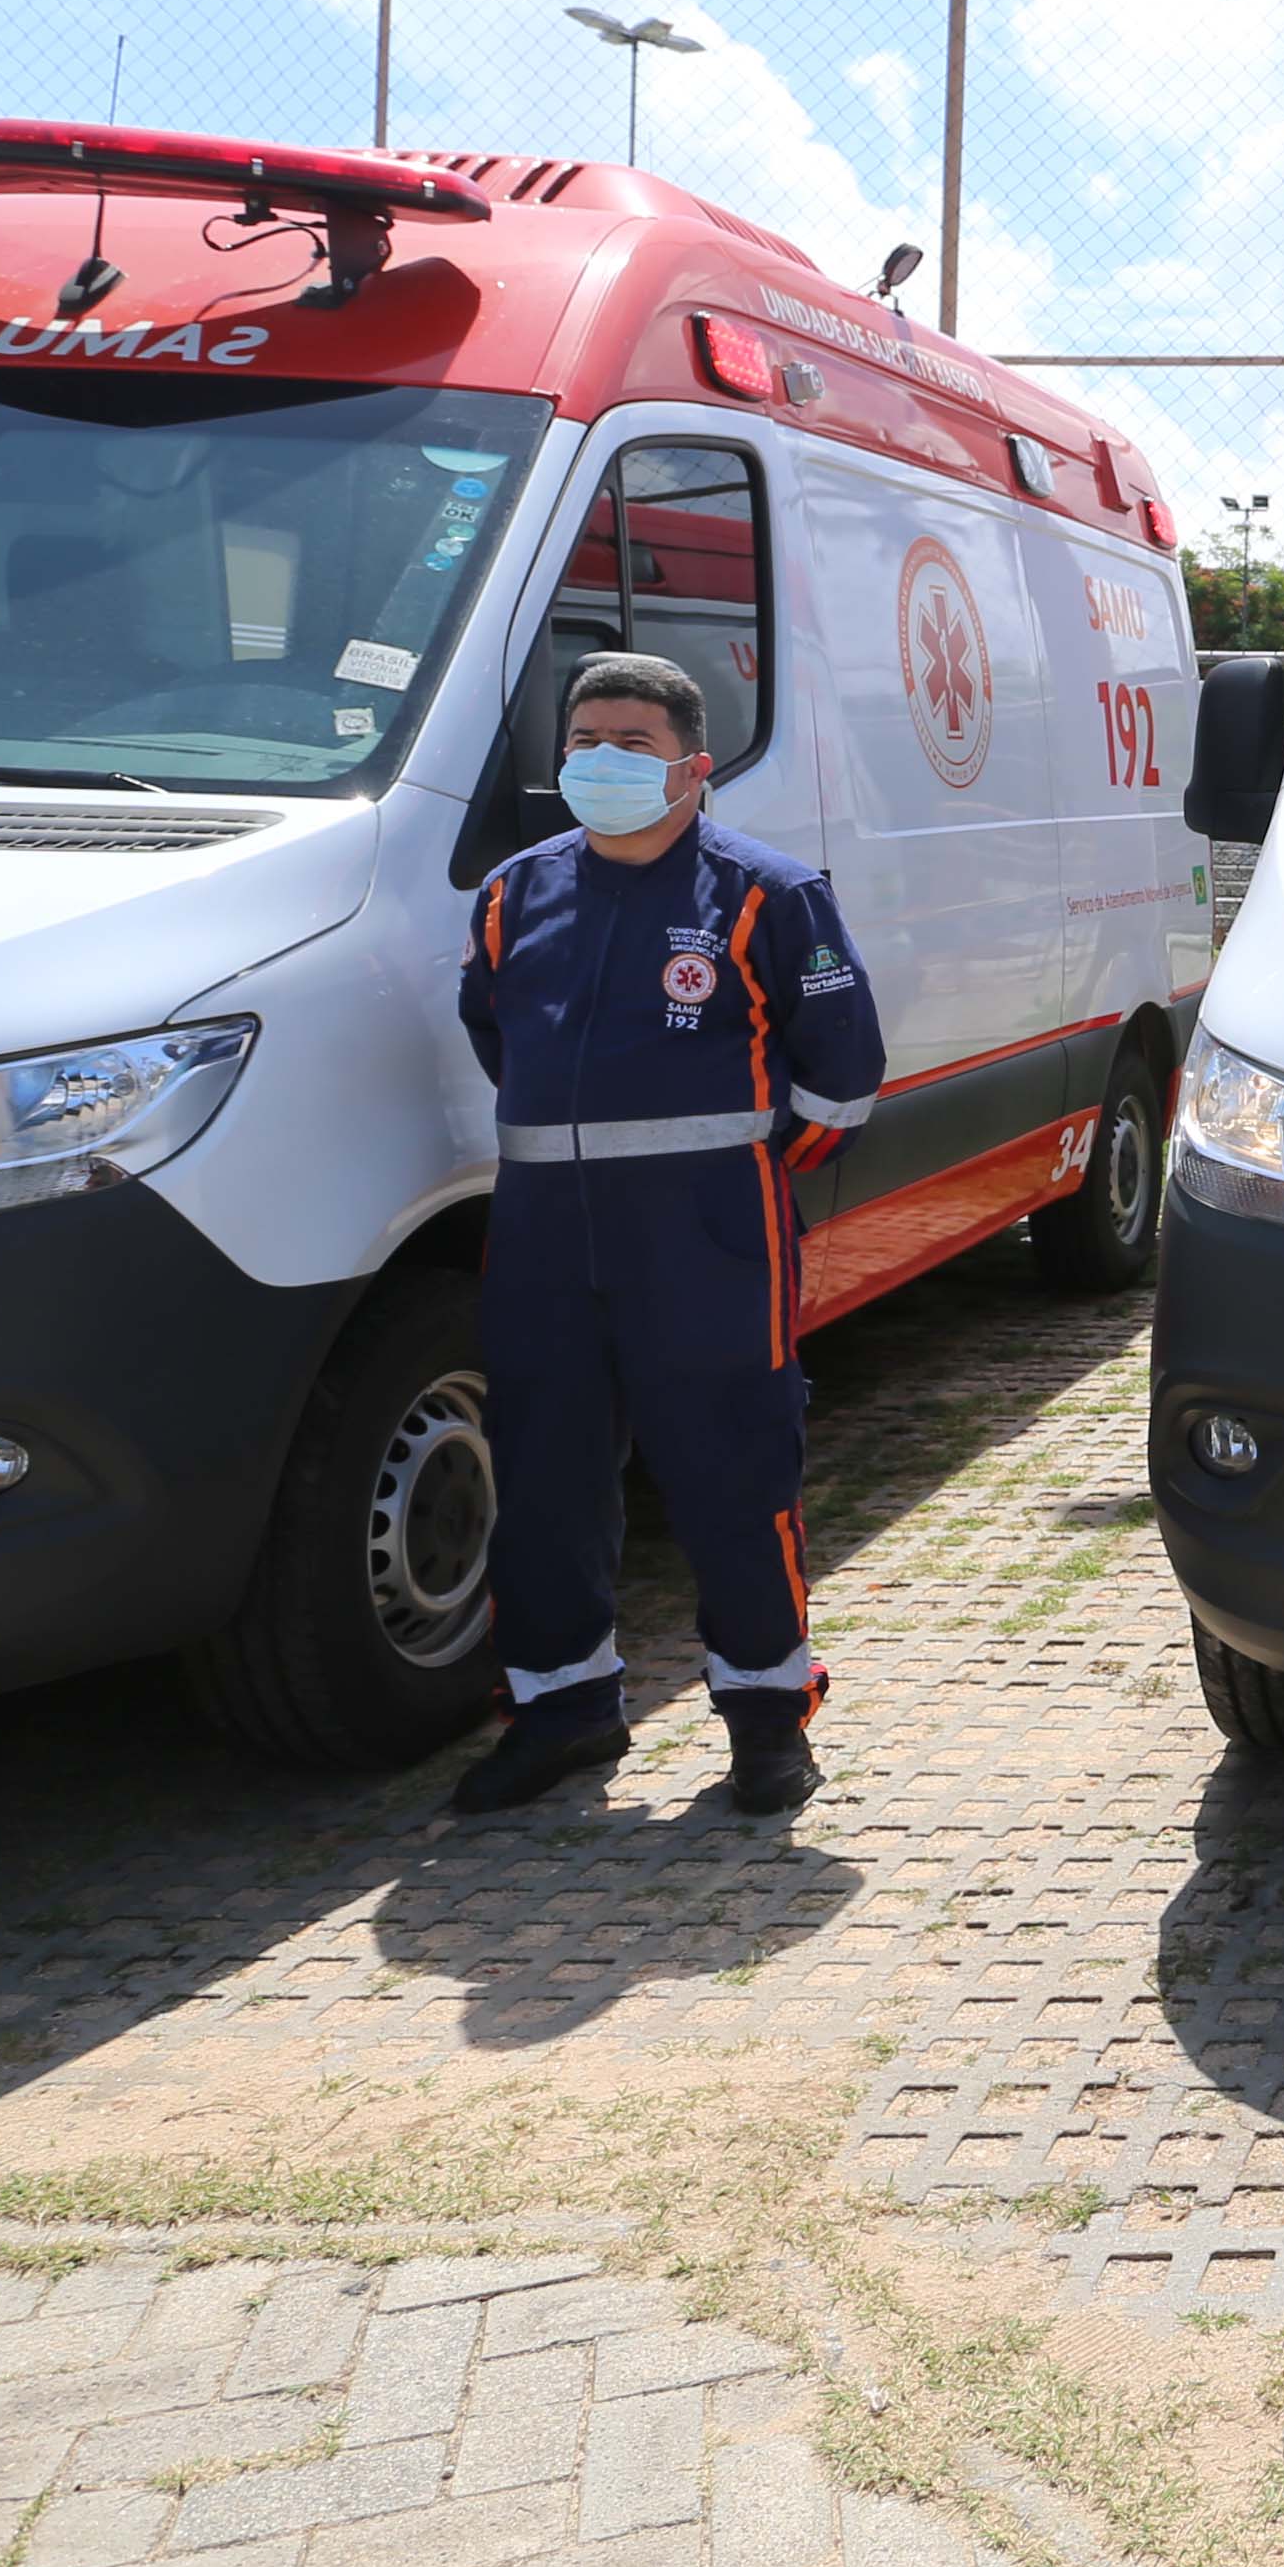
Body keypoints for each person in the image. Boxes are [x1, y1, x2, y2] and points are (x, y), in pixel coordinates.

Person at [448, 653, 886, 1818]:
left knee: (733, 1475)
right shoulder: (514, 892)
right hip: (544, 1238)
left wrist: (734, 1178)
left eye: (631, 743)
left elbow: (843, 1070)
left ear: (693, 766)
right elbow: (493, 1031)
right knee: (543, 1480)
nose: (600, 759)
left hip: (707, 1238)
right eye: (583, 739)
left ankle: (767, 1723)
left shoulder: (767, 894)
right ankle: (563, 1711)